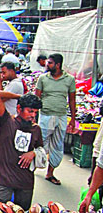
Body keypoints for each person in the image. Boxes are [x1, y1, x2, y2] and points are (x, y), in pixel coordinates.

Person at [0, 92, 44, 210]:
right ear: (19, 108)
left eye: (35, 112)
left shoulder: (36, 129)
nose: (33, 115)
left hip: (25, 182)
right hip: (3, 180)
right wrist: (19, 97)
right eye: (30, 111)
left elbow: (42, 149)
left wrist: (34, 153)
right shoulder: (7, 122)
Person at [35, 53, 76, 185]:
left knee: (57, 145)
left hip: (61, 116)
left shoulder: (69, 79)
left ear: (58, 65)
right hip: (45, 115)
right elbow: (37, 98)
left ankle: (50, 173)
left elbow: (72, 100)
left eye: (50, 63)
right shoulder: (42, 78)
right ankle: (32, 169)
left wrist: (73, 119)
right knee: (41, 143)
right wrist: (33, 118)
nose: (47, 65)